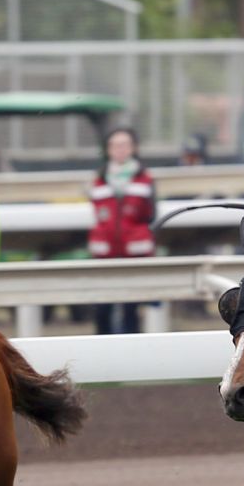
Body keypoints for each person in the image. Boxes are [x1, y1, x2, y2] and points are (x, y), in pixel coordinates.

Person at [87, 128, 156, 335]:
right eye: (115, 145)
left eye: (124, 145)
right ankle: (102, 353)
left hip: (134, 254)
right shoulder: (99, 179)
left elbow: (151, 214)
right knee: (102, 308)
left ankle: (132, 355)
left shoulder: (144, 178)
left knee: (130, 309)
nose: (120, 150)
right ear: (108, 150)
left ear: (133, 148)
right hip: (104, 255)